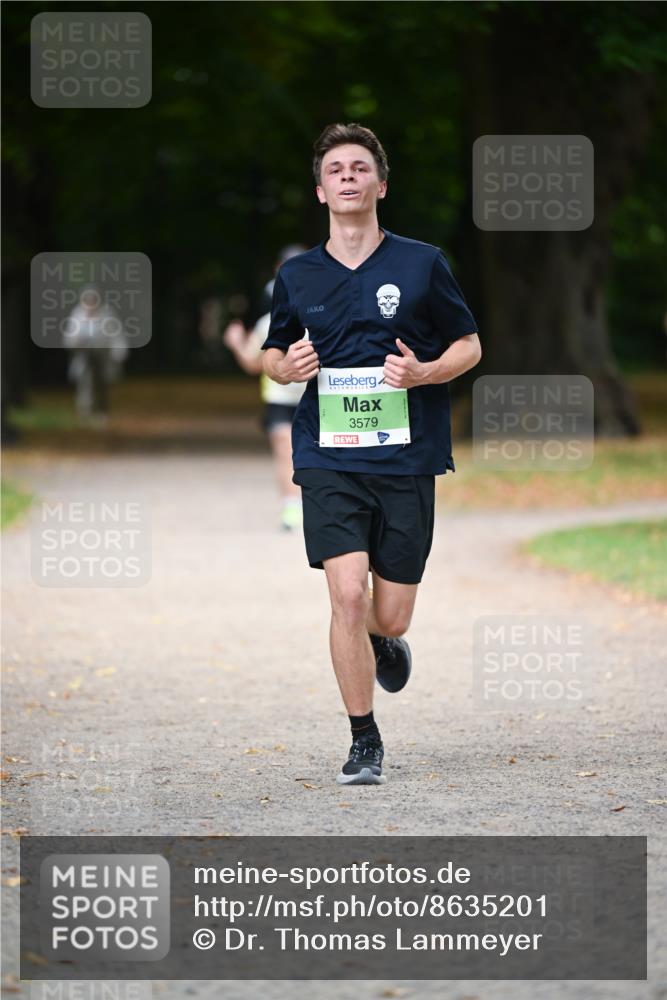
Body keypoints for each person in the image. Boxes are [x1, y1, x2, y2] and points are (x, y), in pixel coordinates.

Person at [262, 123, 482, 785]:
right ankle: (364, 740)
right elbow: (273, 352)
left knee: (390, 614)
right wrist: (284, 366)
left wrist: (425, 373)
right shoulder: (296, 274)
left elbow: (468, 345)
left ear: (380, 185)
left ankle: (385, 641)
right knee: (348, 597)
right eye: (336, 169)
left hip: (407, 457)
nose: (348, 177)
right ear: (320, 191)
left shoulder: (421, 264)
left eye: (360, 167)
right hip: (327, 455)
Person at [223, 246, 307, 531]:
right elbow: (253, 363)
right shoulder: (268, 322)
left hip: (318, 397)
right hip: (279, 397)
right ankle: (291, 506)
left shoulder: (325, 313)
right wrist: (237, 344)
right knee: (285, 448)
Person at [63, 286, 129, 428]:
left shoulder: (107, 314)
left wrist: (119, 351)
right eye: (87, 299)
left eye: (93, 299)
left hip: (102, 355)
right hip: (84, 355)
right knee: (84, 383)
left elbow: (117, 335)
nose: (90, 302)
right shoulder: (77, 314)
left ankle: (101, 413)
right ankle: (85, 412)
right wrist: (75, 343)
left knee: (101, 384)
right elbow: (70, 336)